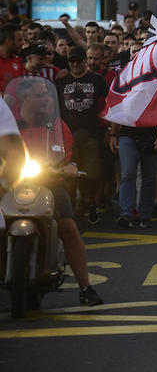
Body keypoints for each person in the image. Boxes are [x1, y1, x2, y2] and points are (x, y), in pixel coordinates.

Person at [3, 78, 104, 305]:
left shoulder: (56, 125)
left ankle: (86, 287)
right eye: (40, 95)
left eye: (47, 95)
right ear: (24, 99)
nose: (46, 99)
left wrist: (70, 166)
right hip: (12, 183)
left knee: (68, 227)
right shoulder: (10, 128)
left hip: (50, 182)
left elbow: (67, 154)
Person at [55, 46, 109, 224]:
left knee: (92, 173)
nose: (76, 64)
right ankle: (76, 205)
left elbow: (112, 100)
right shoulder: (61, 80)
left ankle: (91, 201)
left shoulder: (97, 79)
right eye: (73, 61)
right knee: (71, 175)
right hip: (67, 136)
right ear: (68, 62)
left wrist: (111, 128)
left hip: (91, 133)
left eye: (79, 60)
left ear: (85, 60)